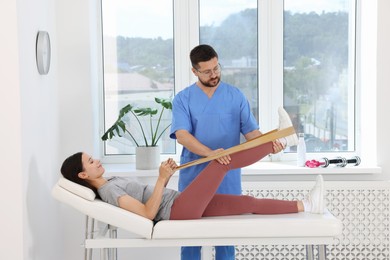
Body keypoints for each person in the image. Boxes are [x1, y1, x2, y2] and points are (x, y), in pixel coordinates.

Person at [169, 44, 299, 259]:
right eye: (208, 71)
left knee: (226, 239)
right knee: (191, 238)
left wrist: (270, 145)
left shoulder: (235, 96)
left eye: (217, 68)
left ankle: (281, 138)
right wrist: (210, 154)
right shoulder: (183, 99)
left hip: (227, 177)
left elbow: (251, 134)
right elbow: (182, 135)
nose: (214, 74)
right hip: (194, 177)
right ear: (195, 71)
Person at [60, 143, 324, 224]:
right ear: (83, 175)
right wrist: (162, 178)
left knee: (247, 203)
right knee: (221, 161)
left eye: (94, 158)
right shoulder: (108, 190)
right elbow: (148, 213)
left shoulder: (110, 180)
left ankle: (308, 205)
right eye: (90, 162)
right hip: (177, 209)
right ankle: (276, 145)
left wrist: (164, 178)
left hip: (179, 204)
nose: (96, 161)